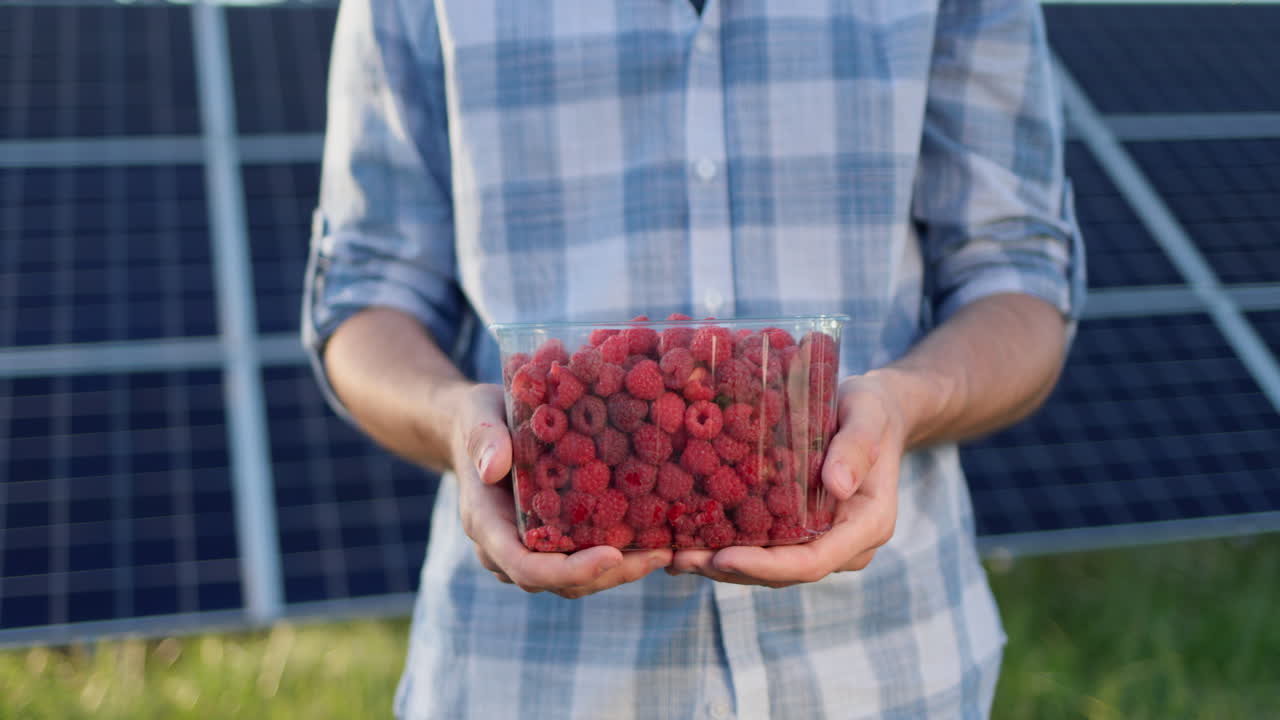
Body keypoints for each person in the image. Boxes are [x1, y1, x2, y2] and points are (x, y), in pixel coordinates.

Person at [303, 0, 1084, 717]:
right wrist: (457, 425)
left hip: (888, 671)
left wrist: (905, 403)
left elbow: (1017, 277)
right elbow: (367, 296)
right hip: (528, 679)